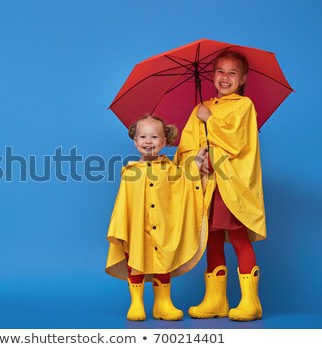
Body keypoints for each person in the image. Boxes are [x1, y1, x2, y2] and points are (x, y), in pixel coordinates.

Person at [174, 51, 266, 321]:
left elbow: (236, 141)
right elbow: (187, 146)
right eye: (220, 72)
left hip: (231, 185)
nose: (225, 78)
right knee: (211, 239)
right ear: (212, 76)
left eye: (232, 73)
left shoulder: (244, 106)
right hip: (208, 184)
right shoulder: (201, 107)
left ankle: (251, 301)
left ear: (243, 79)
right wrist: (196, 160)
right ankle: (216, 300)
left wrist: (209, 119)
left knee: (237, 237)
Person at [105, 115, 208, 321]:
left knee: (164, 262)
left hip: (162, 229)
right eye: (143, 136)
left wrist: (198, 158)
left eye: (154, 136)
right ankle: (136, 303)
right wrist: (121, 230)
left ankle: (163, 303)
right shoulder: (130, 172)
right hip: (137, 230)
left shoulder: (171, 170)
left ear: (164, 142)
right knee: (135, 261)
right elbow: (123, 206)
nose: (148, 141)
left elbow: (186, 181)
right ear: (135, 142)